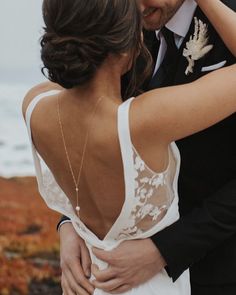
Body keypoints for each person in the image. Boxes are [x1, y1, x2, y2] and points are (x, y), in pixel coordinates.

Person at [22, 1, 236, 295]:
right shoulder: (144, 115)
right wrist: (70, 226)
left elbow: (79, 141)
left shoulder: (34, 104)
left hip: (205, 269)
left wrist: (166, 250)